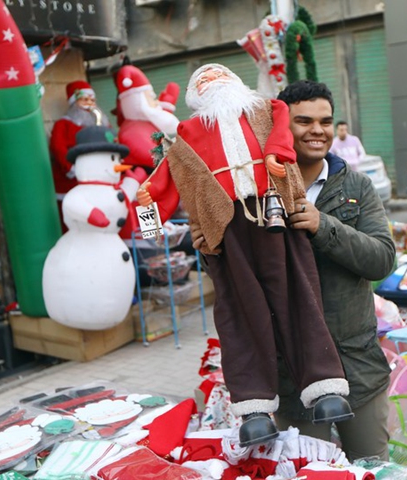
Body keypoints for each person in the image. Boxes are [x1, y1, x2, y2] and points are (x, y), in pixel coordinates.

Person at [136, 64, 352, 447]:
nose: (214, 85)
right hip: (226, 232)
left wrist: (276, 155)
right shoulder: (186, 134)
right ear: (196, 97)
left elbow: (282, 133)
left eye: (219, 79)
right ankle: (254, 409)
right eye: (205, 83)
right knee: (239, 314)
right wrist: (148, 216)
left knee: (299, 298)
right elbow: (164, 181)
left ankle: (324, 388)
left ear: (236, 85)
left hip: (277, 217)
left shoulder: (268, 110)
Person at [279, 80, 396, 460]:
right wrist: (203, 246)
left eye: (325, 121)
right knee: (306, 469)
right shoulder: (258, 189)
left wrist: (322, 225)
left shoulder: (357, 187)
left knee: (371, 466)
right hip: (293, 371)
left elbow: (382, 258)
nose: (318, 130)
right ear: (282, 125)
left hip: (356, 367)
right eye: (304, 121)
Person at [49, 81, 110, 229]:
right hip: (72, 180)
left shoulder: (103, 124)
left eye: (92, 100)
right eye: (84, 100)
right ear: (74, 102)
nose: (89, 104)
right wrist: (72, 169)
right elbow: (58, 148)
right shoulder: (63, 125)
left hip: (100, 178)